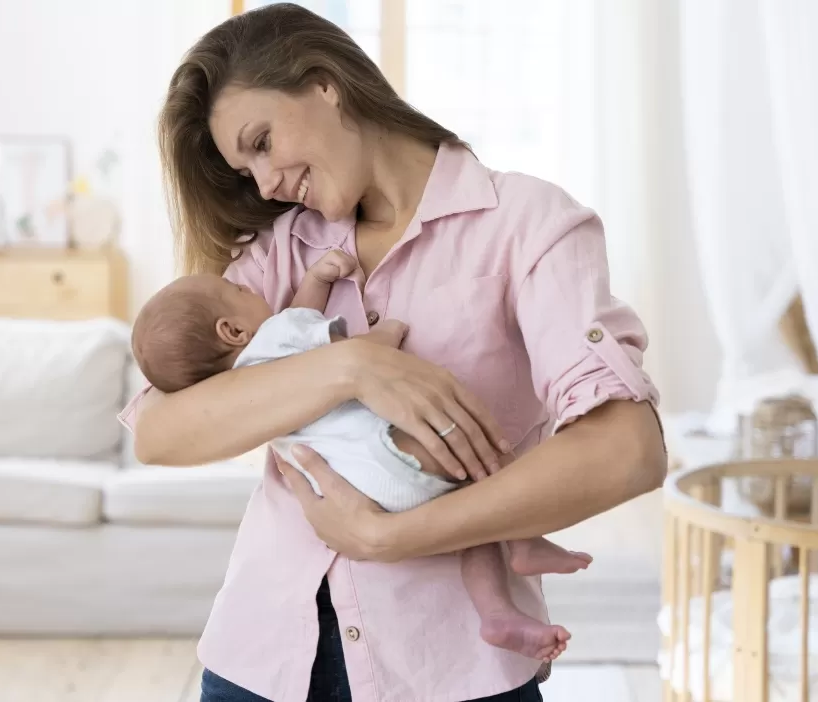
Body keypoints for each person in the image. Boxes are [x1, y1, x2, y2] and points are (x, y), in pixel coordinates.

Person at [120, 3, 668, 700]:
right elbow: (160, 433)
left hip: (451, 668)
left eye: (261, 142)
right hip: (261, 660)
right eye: (244, 169)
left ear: (324, 84)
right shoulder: (281, 250)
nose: (263, 184)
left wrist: (391, 537)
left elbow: (628, 450)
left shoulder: (527, 225)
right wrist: (350, 366)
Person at [131, 250, 592, 664]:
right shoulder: (276, 336)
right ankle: (522, 544)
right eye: (238, 292)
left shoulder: (242, 384)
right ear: (231, 330)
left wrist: (315, 279)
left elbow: (298, 319)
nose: (247, 288)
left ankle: (498, 616)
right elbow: (354, 353)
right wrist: (388, 332)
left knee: (474, 523)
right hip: (388, 453)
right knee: (484, 455)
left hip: (350, 487)